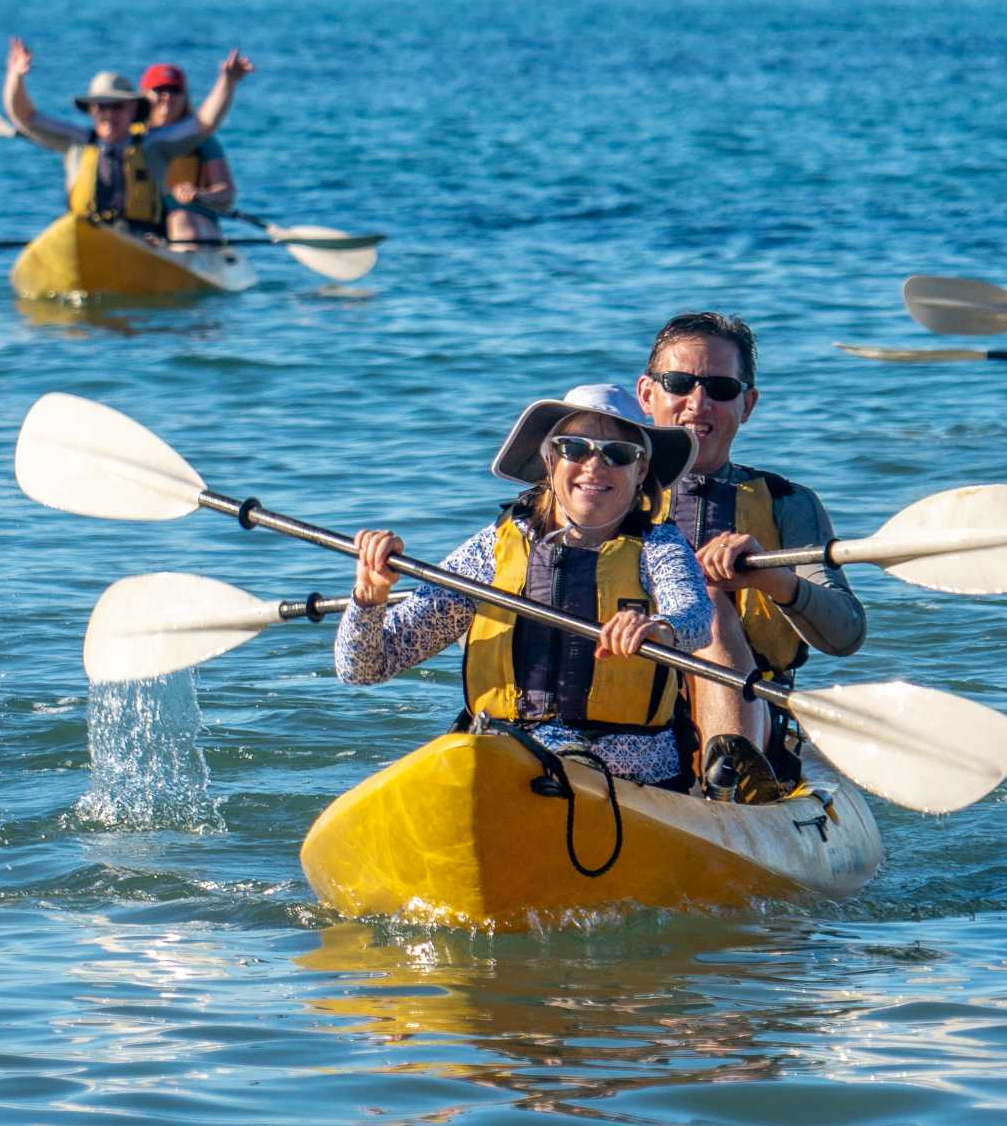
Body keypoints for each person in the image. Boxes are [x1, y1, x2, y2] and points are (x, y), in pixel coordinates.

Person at [339, 386, 712, 790]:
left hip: (632, 783)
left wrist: (660, 628)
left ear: (640, 471)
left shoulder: (660, 546)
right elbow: (363, 669)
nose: (594, 465)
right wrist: (369, 598)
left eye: (618, 453)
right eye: (574, 448)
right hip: (507, 765)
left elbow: (695, 616)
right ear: (549, 459)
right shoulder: (491, 550)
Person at [636, 311, 866, 801]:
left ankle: (731, 777)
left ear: (748, 404)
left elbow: (846, 633)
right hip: (621, 718)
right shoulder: (598, 491)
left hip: (749, 716)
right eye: (679, 384)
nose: (698, 404)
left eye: (720, 389)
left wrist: (771, 579)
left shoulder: (787, 503)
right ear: (647, 393)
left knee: (708, 602)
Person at [1, 38, 252, 239]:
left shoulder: (155, 145)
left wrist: (227, 82)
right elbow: (24, 117)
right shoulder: (75, 141)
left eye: (117, 106)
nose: (110, 114)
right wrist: (15, 76)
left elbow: (204, 123)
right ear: (91, 111)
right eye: (102, 107)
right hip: (88, 235)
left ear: (133, 109)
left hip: (143, 239)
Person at [139, 61, 238, 245]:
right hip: (148, 222)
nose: (167, 97)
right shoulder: (133, 139)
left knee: (180, 219)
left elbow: (227, 195)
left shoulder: (202, 141)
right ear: (144, 95)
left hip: (195, 221)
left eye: (174, 91)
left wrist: (199, 194)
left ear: (185, 97)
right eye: (160, 90)